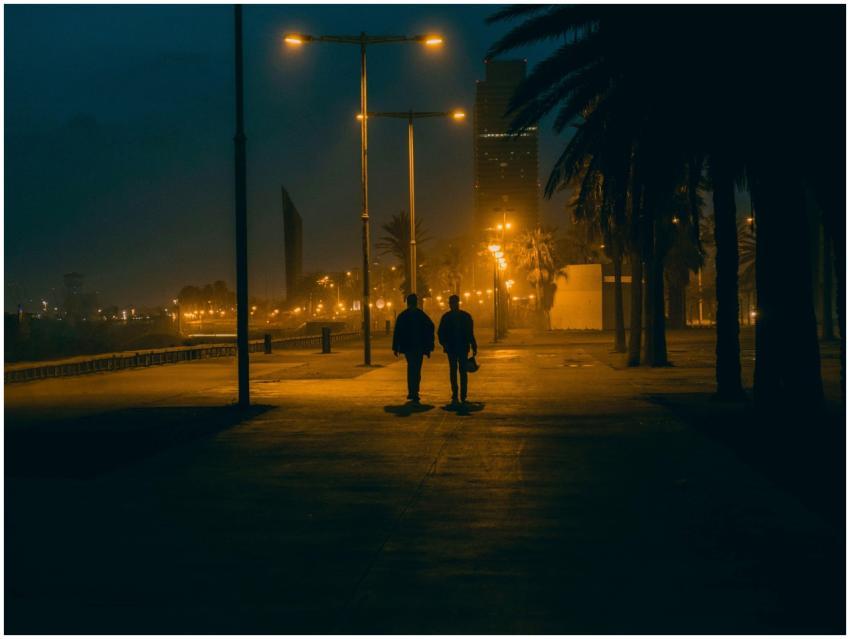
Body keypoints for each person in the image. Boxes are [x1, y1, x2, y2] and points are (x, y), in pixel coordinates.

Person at [392, 293, 435, 403]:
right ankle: (415, 390)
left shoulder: (403, 316)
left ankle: (412, 391)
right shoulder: (421, 315)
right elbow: (430, 328)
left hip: (408, 346)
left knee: (411, 367)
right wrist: (429, 346)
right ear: (416, 303)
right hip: (419, 346)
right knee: (417, 368)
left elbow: (397, 332)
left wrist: (395, 347)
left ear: (407, 303)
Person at [437, 294, 478, 404]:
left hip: (451, 348)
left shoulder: (446, 317)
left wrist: (444, 344)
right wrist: (473, 345)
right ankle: (463, 395)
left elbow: (440, 333)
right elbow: (470, 333)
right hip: (462, 347)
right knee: (462, 371)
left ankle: (455, 393)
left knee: (453, 371)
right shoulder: (466, 316)